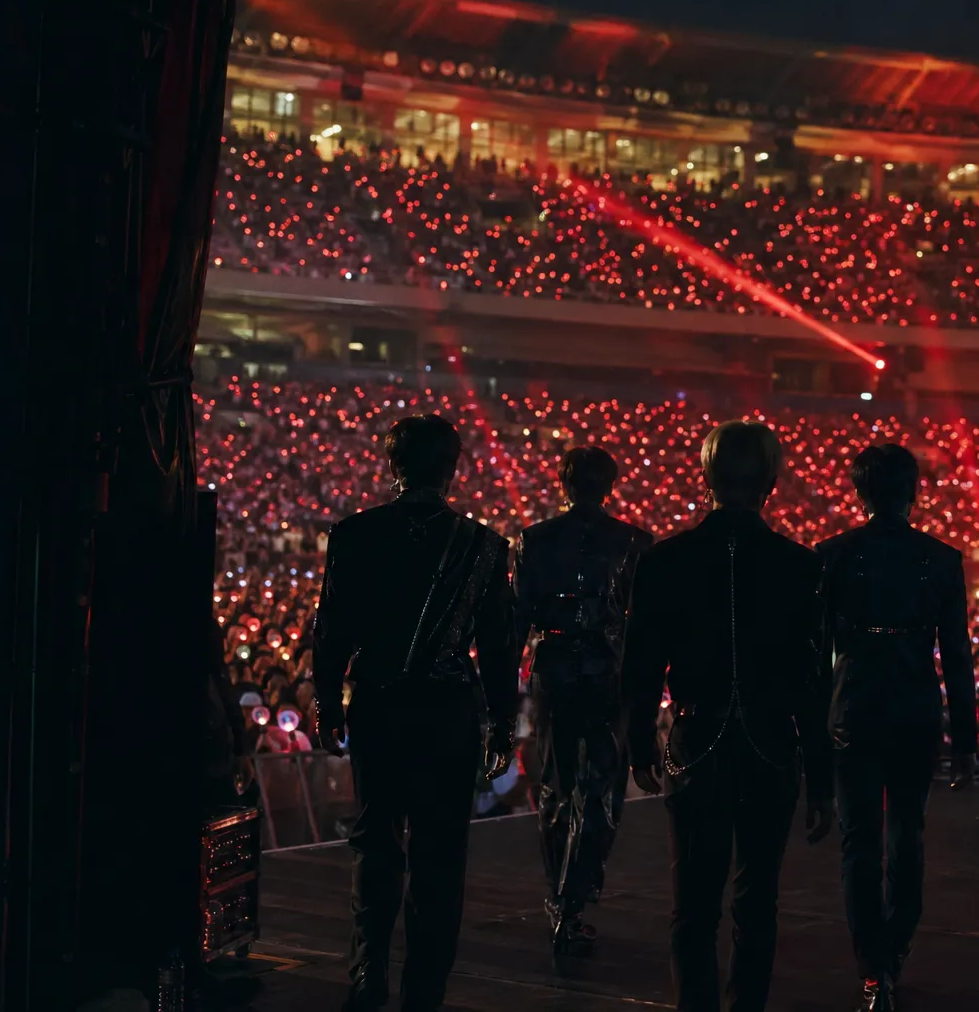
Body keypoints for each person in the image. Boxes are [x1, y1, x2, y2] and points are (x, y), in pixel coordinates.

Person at [623, 420, 832, 1012]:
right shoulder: (799, 566)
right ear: (772, 481)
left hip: (696, 743)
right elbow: (811, 683)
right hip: (771, 745)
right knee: (756, 904)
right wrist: (822, 776)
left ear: (706, 476)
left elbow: (640, 665)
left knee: (693, 904)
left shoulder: (666, 561)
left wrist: (638, 745)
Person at [312, 414, 517, 1012]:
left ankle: (366, 975)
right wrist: (502, 722)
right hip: (448, 715)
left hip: (379, 706)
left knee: (375, 843)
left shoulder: (354, 534)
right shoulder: (483, 546)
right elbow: (500, 648)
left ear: (391, 464)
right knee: (440, 855)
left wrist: (328, 701)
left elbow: (332, 632)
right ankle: (424, 992)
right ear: (452, 468)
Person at [816, 444, 977, 1012]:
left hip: (852, 712)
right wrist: (966, 741)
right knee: (906, 837)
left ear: (859, 492)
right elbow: (955, 656)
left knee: (858, 844)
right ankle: (894, 949)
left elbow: (815, 661)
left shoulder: (831, 557)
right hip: (913, 712)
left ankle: (871, 967)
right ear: (914, 490)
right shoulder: (941, 559)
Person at [515, 446, 653, 964]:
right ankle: (573, 900)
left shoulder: (534, 541)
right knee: (600, 793)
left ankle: (560, 898)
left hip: (553, 677)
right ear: (609, 485)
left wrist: (500, 704)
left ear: (562, 483)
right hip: (608, 678)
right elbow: (644, 630)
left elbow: (517, 623)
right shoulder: (635, 543)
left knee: (555, 787)